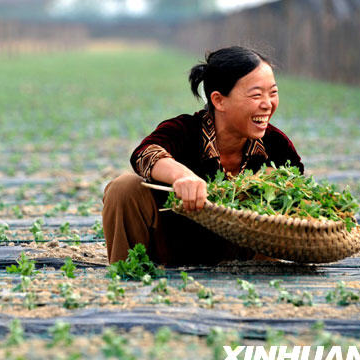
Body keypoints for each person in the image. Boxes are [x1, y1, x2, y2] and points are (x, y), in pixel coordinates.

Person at [102, 46, 304, 266]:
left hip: (244, 262)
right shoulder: (185, 130)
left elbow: (296, 187)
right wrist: (182, 176)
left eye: (273, 93)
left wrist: (268, 183)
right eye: (256, 95)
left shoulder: (276, 144)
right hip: (171, 251)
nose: (267, 104)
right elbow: (145, 154)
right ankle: (127, 277)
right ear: (219, 100)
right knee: (125, 187)